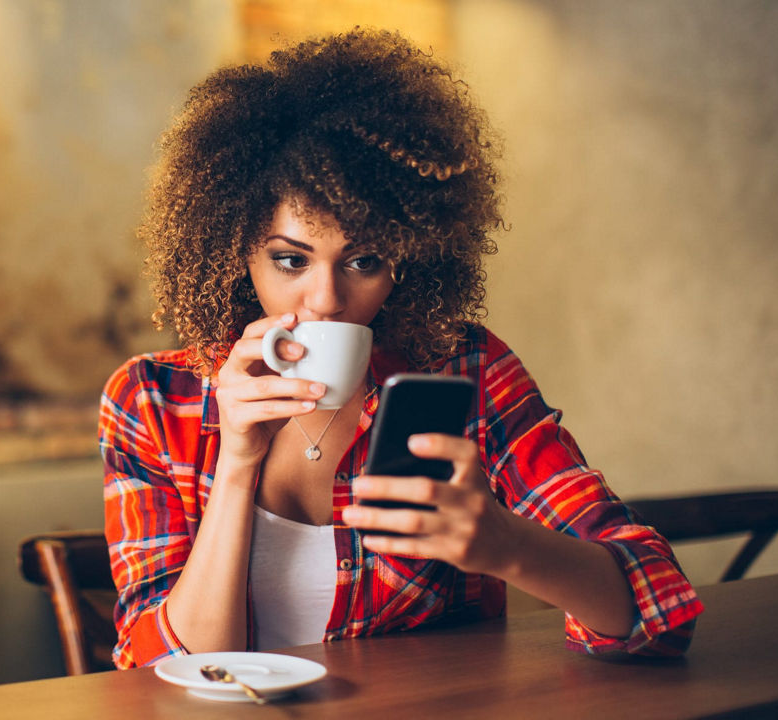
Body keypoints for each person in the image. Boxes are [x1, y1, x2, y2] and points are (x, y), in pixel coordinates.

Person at [98, 29, 702, 670]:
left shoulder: (461, 370)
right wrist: (238, 465)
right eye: (289, 260)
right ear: (234, 250)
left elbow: (660, 612)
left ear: (408, 260)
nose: (326, 298)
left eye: (363, 259)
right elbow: (161, 672)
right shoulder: (154, 401)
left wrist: (505, 545)